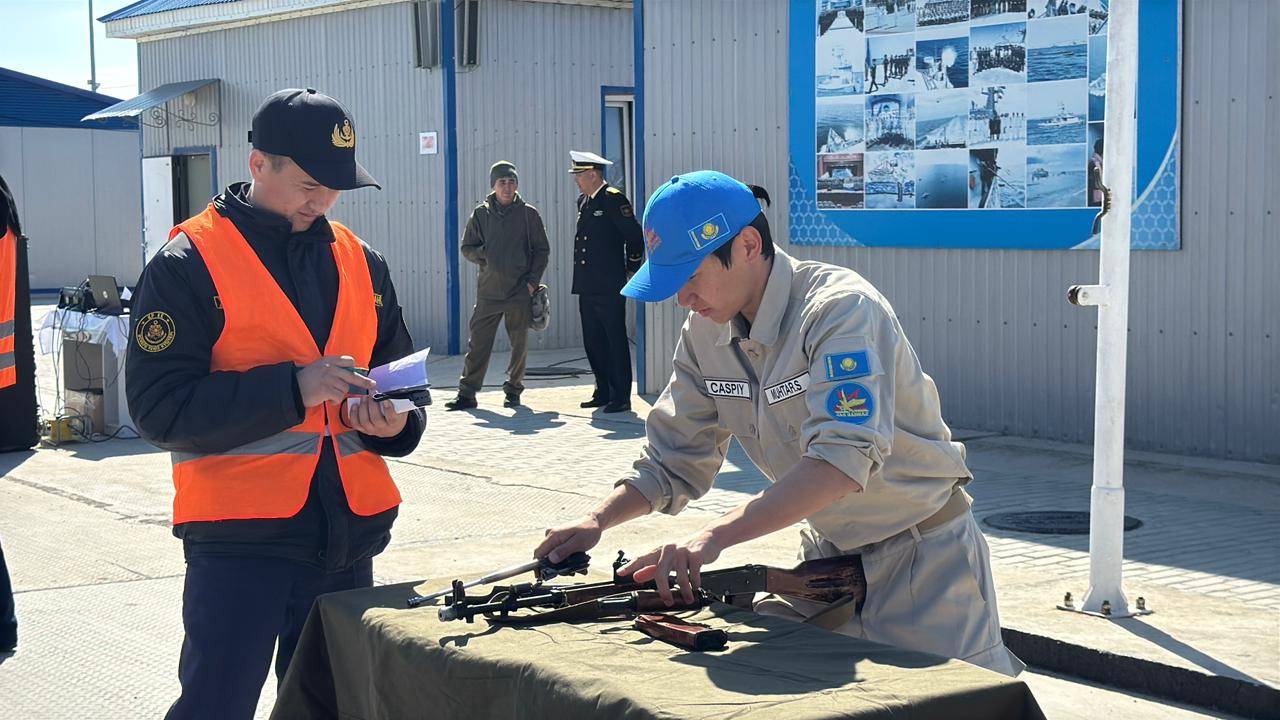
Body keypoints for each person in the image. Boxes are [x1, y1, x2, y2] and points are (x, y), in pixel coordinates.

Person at [537, 170, 1024, 677]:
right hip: (829, 563)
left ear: (748, 244)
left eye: (690, 276)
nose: (683, 298)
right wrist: (598, 520)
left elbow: (840, 461)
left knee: (960, 704)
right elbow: (674, 458)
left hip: (925, 560)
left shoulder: (839, 312)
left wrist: (713, 538)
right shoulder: (706, 331)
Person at [126, 88, 426, 720]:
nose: (322, 202)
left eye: (336, 188)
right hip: (240, 543)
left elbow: (401, 381)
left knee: (331, 708)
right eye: (309, 184)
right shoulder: (188, 263)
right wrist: (293, 389)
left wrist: (397, 422)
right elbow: (157, 408)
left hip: (345, 535)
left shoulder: (361, 261)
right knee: (217, 704)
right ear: (259, 163)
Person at [445, 161, 550, 410]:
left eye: (512, 181)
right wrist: (484, 254)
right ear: (493, 185)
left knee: (519, 345)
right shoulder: (480, 214)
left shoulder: (528, 214)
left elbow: (542, 250)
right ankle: (467, 394)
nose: (507, 186)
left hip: (519, 292)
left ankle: (513, 391)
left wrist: (532, 282)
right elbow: (466, 247)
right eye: (502, 182)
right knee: (478, 344)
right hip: (489, 292)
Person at [568, 150, 643, 413]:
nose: (576, 180)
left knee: (614, 339)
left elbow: (634, 236)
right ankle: (603, 389)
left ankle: (620, 396)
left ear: (592, 174)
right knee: (593, 340)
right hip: (588, 284)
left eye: (579, 175)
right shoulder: (584, 201)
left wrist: (631, 268)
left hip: (609, 284)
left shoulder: (612, 199)